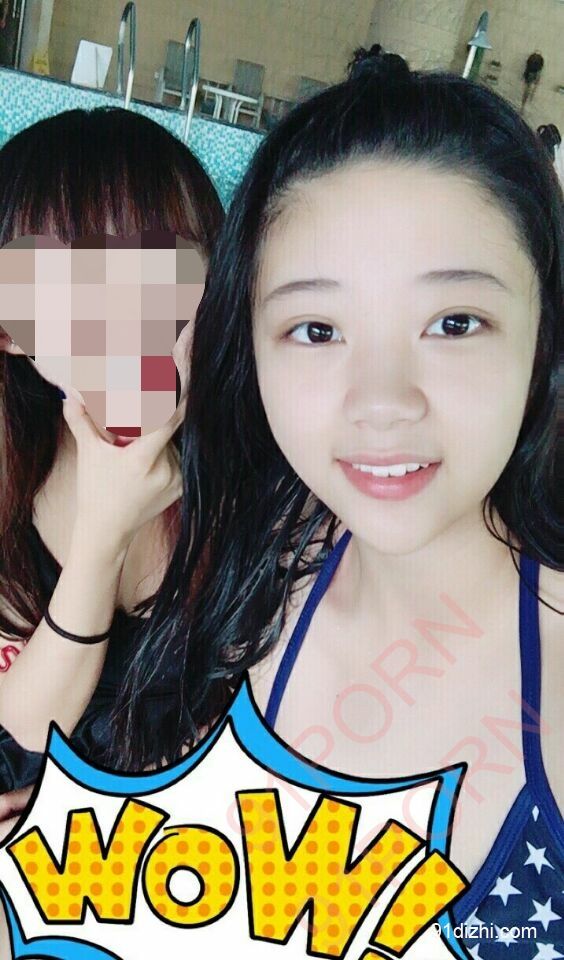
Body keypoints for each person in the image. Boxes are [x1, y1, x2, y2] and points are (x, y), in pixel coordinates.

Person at [112, 50, 563, 955]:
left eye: (455, 323)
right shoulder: (263, 557)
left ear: (542, 337)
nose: (382, 403)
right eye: (315, 330)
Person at [0, 107, 223, 810]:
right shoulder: (8, 488)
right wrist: (104, 534)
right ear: (9, 331)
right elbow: (24, 737)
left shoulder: (267, 483)